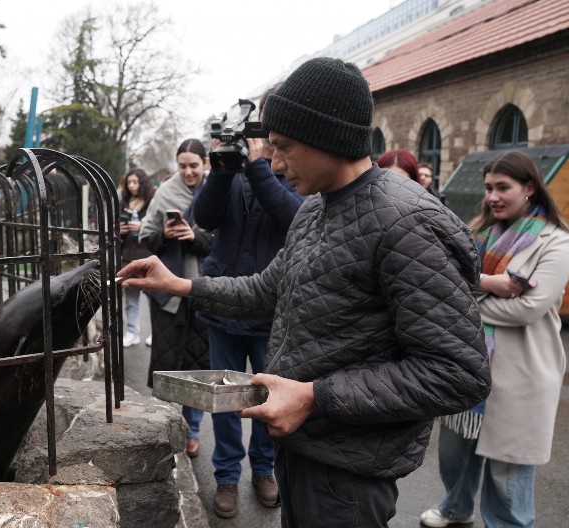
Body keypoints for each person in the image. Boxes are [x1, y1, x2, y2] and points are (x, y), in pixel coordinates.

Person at [119, 57, 490, 527]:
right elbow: (266, 289)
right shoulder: (315, 211)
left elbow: (457, 372)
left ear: (328, 137)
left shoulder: (410, 223)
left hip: (350, 469)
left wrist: (316, 397)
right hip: (301, 446)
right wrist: (180, 284)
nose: (274, 163)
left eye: (284, 147)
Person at [420, 150, 569, 528]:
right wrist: (492, 286)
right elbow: (445, 284)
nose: (493, 196)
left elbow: (528, 309)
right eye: (489, 188)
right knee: (455, 455)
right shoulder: (477, 233)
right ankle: (456, 507)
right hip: (469, 364)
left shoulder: (556, 242)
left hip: (523, 374)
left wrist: (466, 300)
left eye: (504, 187)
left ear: (530, 188)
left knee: (508, 473)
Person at [193, 85, 306, 518]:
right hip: (223, 306)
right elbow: (204, 217)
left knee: (264, 398)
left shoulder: (292, 170)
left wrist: (260, 166)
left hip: (271, 310)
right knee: (224, 398)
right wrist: (223, 165)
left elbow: (291, 217)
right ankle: (225, 476)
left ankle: (263, 470)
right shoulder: (234, 166)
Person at [138, 138, 213, 458]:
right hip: (167, 292)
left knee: (197, 365)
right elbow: (145, 238)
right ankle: (166, 428)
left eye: (194, 166)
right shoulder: (166, 191)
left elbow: (224, 243)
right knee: (168, 363)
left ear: (205, 164)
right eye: (182, 166)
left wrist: (195, 237)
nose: (188, 172)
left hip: (205, 289)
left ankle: (193, 430)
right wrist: (165, 235)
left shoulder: (215, 193)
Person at [119, 167, 155, 347]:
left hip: (149, 256)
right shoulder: (124, 202)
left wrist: (142, 227)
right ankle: (132, 332)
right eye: (129, 183)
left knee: (153, 297)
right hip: (128, 256)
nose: (132, 186)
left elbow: (158, 228)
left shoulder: (152, 202)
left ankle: (155, 332)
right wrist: (119, 231)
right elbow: (113, 231)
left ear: (142, 182)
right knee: (130, 298)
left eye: (135, 182)